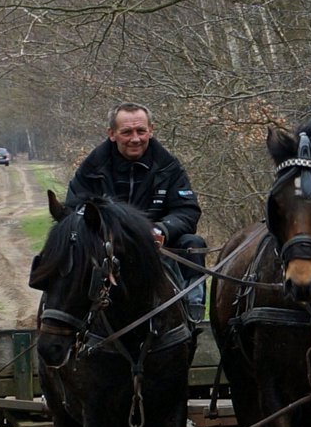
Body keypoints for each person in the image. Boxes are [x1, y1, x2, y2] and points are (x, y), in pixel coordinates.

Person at [65, 103, 206, 316]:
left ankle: (192, 312)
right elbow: (72, 211)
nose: (135, 139)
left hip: (156, 245)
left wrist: (160, 230)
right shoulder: (92, 169)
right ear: (112, 134)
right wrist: (106, 233)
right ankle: (63, 315)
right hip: (106, 245)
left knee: (193, 244)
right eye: (126, 132)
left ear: (151, 130)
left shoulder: (168, 167)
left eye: (141, 131)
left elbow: (187, 211)